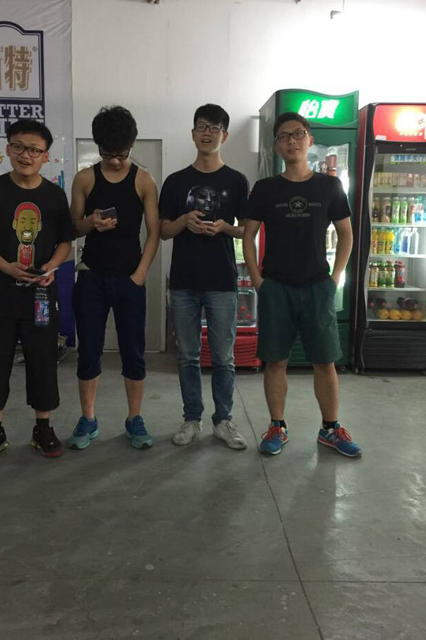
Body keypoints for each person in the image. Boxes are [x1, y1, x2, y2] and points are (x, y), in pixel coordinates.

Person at [243, 112, 361, 458]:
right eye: (283, 136)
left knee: (325, 362)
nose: (291, 141)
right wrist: (258, 280)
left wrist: (334, 278)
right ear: (276, 145)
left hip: (317, 286)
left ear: (309, 139)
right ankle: (276, 426)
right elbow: (248, 235)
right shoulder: (266, 188)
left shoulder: (329, 186)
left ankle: (330, 428)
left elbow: (346, 234)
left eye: (297, 134)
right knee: (275, 361)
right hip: (276, 287)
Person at [0, 119, 74, 464]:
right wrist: (5, 266)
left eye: (34, 149)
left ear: (46, 156)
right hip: (0, 294)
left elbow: (65, 243)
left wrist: (50, 268)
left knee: (43, 361)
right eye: (18, 147)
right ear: (8, 149)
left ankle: (42, 427)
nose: (25, 155)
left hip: (40, 296)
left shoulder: (55, 195)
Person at [68, 106, 159, 450]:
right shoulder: (85, 179)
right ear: (99, 147)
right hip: (91, 277)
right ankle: (88, 418)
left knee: (133, 351)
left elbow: (154, 232)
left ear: (131, 145)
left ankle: (134, 418)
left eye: (122, 154)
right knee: (89, 351)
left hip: (129, 279)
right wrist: (90, 223)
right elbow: (72, 227)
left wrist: (140, 275)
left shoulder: (144, 180)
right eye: (109, 154)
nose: (116, 161)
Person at [159, 103, 249, 450]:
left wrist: (225, 227)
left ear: (224, 134)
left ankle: (223, 420)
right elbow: (163, 231)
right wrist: (185, 221)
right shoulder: (175, 181)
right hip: (183, 281)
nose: (207, 133)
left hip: (222, 280)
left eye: (214, 127)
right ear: (193, 133)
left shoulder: (236, 181)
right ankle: (191, 419)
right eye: (201, 126)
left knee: (224, 357)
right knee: (187, 356)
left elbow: (248, 230)